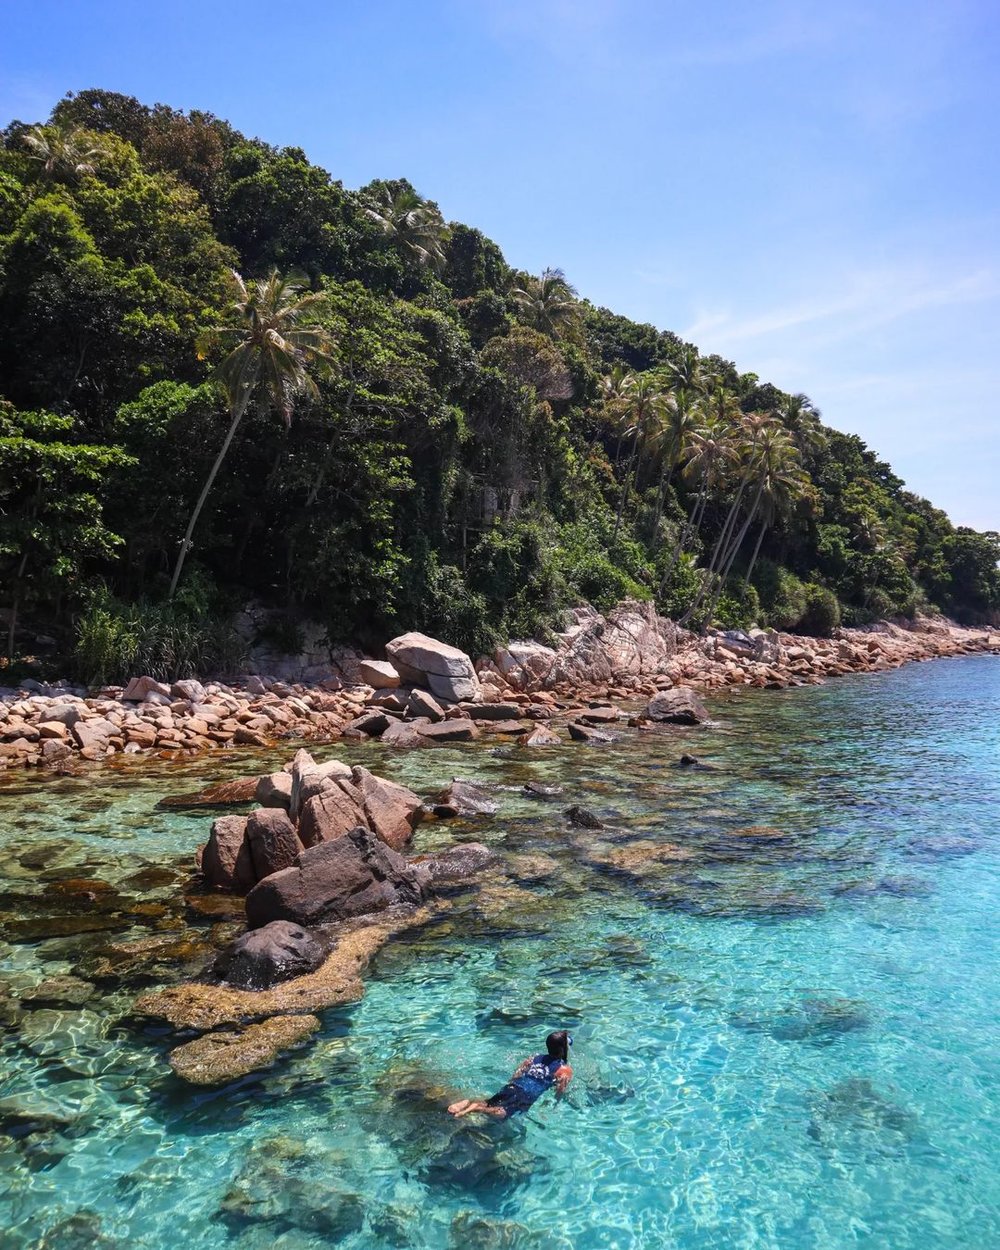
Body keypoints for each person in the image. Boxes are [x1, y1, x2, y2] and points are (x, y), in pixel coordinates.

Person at [447, 1031, 574, 1119]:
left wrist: (511, 1083)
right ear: (563, 1049)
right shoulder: (565, 1070)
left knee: (489, 1102)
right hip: (527, 1095)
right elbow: (560, 1091)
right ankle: (475, 1108)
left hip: (514, 1086)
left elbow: (519, 1072)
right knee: (503, 1114)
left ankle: (469, 1102)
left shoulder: (534, 1058)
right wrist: (554, 1105)